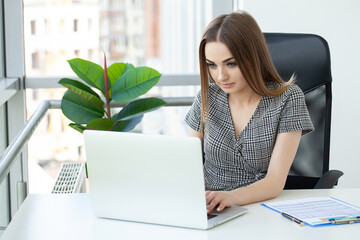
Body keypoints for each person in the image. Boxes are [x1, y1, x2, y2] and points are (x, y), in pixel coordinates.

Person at [184, 11, 314, 214]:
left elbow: (274, 182)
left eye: (231, 63)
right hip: (208, 207)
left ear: (254, 57)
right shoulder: (207, 96)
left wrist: (230, 197)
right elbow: (186, 160)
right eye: (212, 65)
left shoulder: (288, 98)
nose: (220, 76)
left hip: (260, 208)